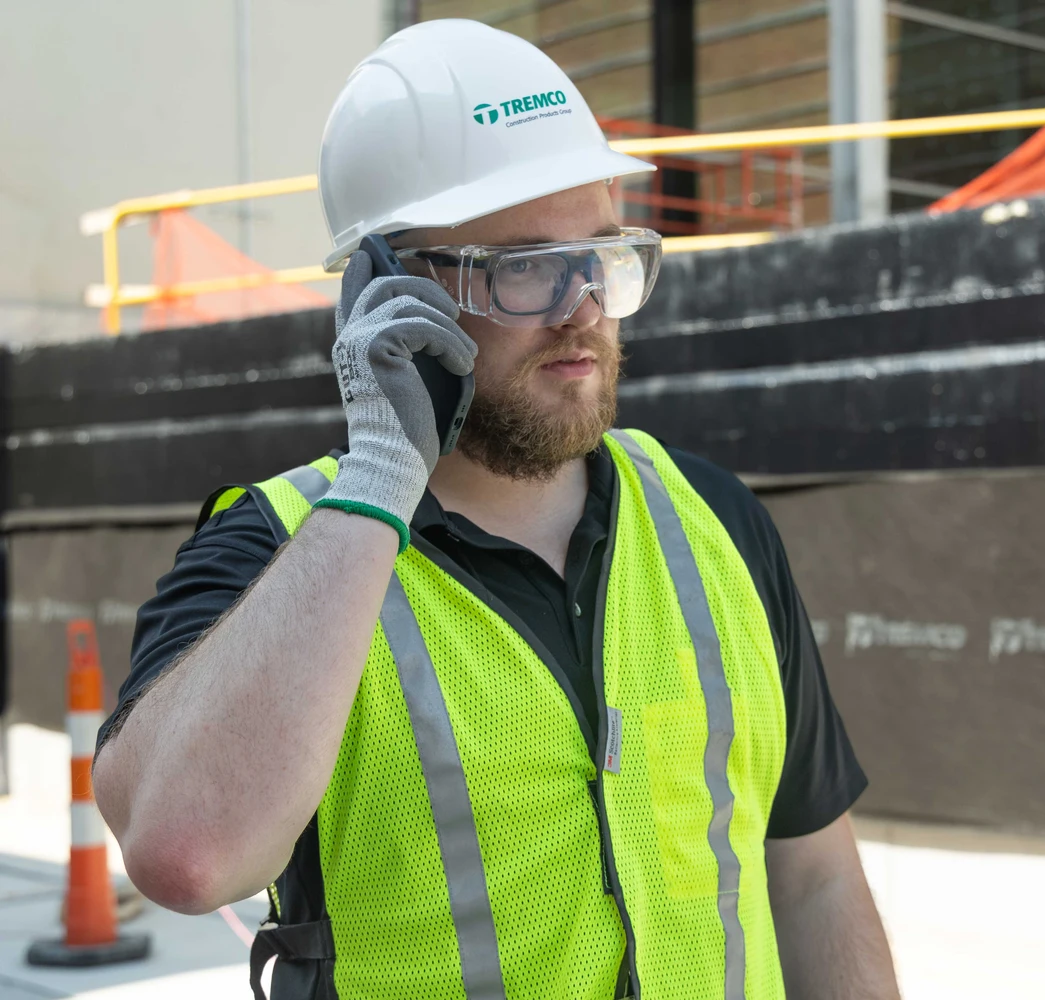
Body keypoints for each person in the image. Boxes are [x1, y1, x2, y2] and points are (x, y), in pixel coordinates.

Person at [92, 19, 899, 1000]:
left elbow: (814, 878)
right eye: (522, 266)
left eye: (600, 255)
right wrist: (382, 474)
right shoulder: (273, 551)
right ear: (385, 293)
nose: (582, 307)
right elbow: (185, 853)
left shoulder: (713, 521)